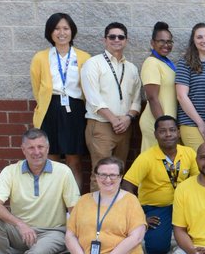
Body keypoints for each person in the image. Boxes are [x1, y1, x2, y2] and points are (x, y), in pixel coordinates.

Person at [121, 115, 198, 254]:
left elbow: (199, 182)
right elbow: (126, 186)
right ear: (155, 134)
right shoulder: (146, 157)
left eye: (172, 130)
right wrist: (139, 216)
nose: (168, 134)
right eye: (162, 131)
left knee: (203, 240)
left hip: (183, 206)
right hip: (156, 208)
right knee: (157, 250)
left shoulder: (189, 153)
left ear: (178, 132)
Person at [29, 12, 91, 190]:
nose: (61, 33)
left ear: (72, 31)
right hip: (50, 109)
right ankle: (54, 201)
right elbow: (36, 88)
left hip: (75, 110)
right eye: (56, 29)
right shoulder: (40, 57)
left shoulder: (84, 57)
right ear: (50, 32)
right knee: (52, 158)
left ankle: (74, 202)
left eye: (66, 28)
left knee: (74, 159)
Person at [81, 22, 142, 187]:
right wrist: (113, 119)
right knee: (101, 174)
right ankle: (97, 205)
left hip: (125, 126)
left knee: (118, 174)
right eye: (112, 37)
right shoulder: (93, 63)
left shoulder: (131, 68)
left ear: (126, 41)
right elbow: (93, 97)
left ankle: (115, 204)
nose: (116, 40)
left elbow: (136, 99)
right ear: (105, 40)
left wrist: (128, 118)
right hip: (101, 125)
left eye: (120, 37)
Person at [175, 22, 205, 150]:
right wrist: (200, 123)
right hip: (191, 123)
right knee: (200, 158)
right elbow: (181, 96)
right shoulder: (185, 63)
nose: (204, 40)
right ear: (193, 40)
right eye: (199, 37)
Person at [138, 22, 177, 152]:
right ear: (152, 43)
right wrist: (163, 126)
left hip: (166, 123)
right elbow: (152, 97)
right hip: (157, 122)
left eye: (169, 41)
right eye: (161, 41)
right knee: (154, 160)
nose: (166, 45)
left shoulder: (165, 62)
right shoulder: (151, 63)